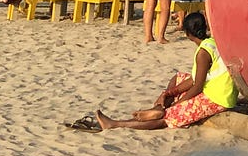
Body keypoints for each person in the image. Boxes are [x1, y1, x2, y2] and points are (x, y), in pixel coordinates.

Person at [94, 12, 237, 130]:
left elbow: (197, 85)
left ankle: (116, 124)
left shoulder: (203, 53)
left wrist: (178, 104)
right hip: (216, 88)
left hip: (217, 98)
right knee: (178, 78)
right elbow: (194, 79)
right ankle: (158, 108)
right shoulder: (211, 42)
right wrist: (168, 93)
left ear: (187, 33)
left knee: (168, 118)